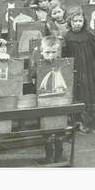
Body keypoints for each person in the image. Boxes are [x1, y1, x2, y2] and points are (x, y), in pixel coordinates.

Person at [28, 36, 69, 164]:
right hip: (44, 99)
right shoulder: (38, 63)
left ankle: (59, 153)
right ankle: (49, 154)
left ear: (58, 52)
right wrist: (43, 64)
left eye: (53, 52)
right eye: (47, 52)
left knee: (60, 127)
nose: (50, 55)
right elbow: (32, 75)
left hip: (60, 98)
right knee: (46, 129)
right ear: (41, 51)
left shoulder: (63, 63)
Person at [61, 6, 95, 132]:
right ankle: (75, 119)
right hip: (74, 68)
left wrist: (93, 64)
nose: (78, 24)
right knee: (75, 93)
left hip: (87, 68)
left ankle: (86, 118)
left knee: (87, 91)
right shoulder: (66, 36)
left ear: (84, 21)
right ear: (69, 22)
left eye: (80, 21)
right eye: (75, 21)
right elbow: (64, 53)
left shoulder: (88, 35)